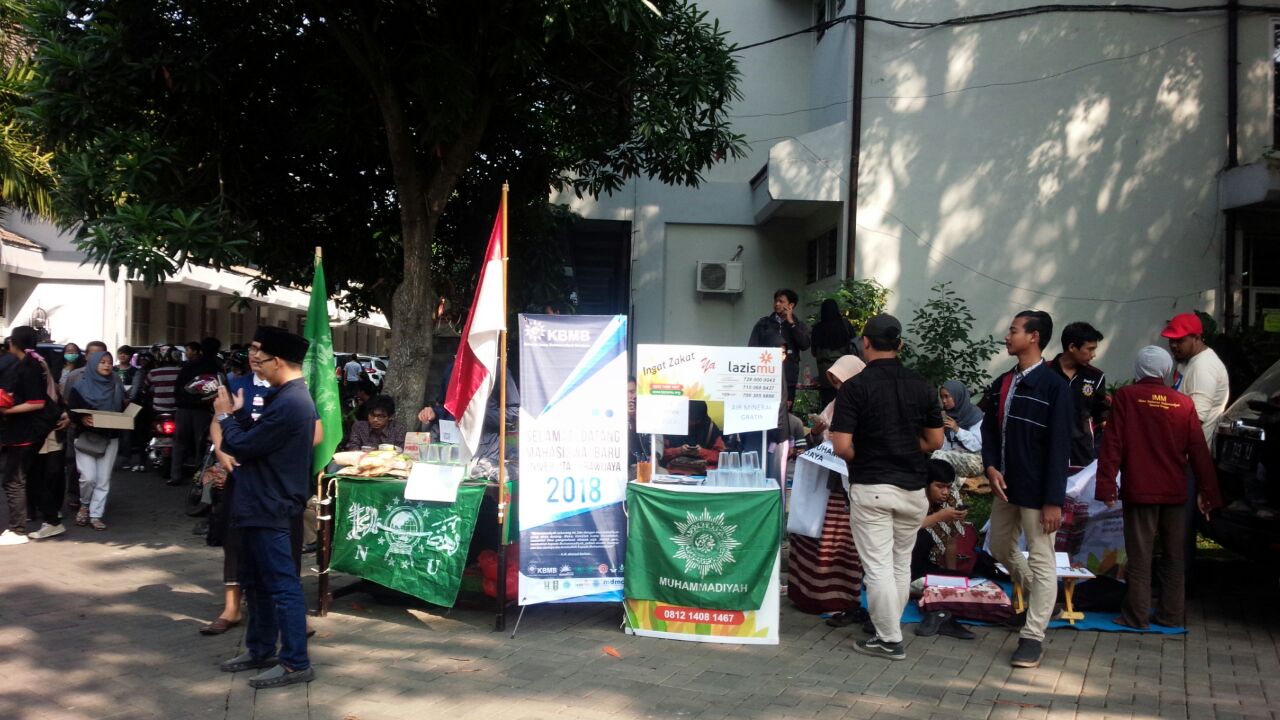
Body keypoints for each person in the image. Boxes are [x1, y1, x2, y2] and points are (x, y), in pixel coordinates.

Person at [829, 314, 944, 661]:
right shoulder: (923, 385)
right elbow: (936, 440)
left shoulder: (855, 388)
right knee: (899, 564)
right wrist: (905, 447)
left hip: (872, 486)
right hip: (912, 489)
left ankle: (890, 639)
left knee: (877, 567)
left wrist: (868, 453)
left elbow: (841, 446)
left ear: (865, 343)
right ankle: (887, 631)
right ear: (900, 345)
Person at [214, 326, 317, 689]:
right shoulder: (285, 396)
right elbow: (261, 441)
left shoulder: (292, 401)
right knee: (256, 582)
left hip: (271, 504)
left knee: (282, 585)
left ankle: (295, 662)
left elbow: (244, 447)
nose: (254, 360)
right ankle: (260, 650)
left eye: (261, 355)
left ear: (279, 361)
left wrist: (226, 417)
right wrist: (240, 417)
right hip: (259, 501)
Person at [1095, 346, 1222, 629]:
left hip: (1140, 489)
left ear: (1138, 370)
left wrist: (1106, 487)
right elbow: (1199, 450)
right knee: (1175, 556)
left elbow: (1112, 445)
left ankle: (1136, 616)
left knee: (1140, 556)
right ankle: (1171, 615)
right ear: (1167, 371)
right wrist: (1208, 493)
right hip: (1176, 491)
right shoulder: (1183, 403)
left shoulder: (1127, 397)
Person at [980, 310, 1071, 669]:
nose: (1007, 336)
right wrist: (990, 466)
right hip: (1006, 486)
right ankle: (1041, 602)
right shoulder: (1004, 381)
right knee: (1000, 546)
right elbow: (989, 431)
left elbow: (1060, 447)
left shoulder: (1054, 387)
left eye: (1014, 330)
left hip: (1038, 492)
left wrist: (1053, 500)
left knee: (1042, 557)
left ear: (1033, 337)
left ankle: (1033, 635)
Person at [789, 354, 866, 619]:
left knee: (838, 542)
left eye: (842, 381)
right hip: (823, 481)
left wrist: (841, 439)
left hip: (845, 485)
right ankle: (806, 595)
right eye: (834, 381)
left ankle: (839, 598)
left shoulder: (866, 402)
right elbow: (817, 439)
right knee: (811, 535)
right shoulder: (835, 403)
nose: (838, 387)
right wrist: (817, 432)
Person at [907, 459, 979, 640]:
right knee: (921, 535)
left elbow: (951, 541)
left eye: (948, 487)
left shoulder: (950, 498)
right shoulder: (912, 496)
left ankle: (939, 614)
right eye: (940, 486)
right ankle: (932, 608)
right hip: (904, 568)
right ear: (926, 484)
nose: (945, 492)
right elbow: (906, 527)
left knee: (971, 584)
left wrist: (951, 575)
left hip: (927, 567)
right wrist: (939, 516)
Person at [0, 327, 54, 545]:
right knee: (25, 479)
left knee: (13, 481)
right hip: (21, 431)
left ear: (15, 343)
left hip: (24, 433)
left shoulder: (29, 367)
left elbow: (36, 402)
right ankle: (43, 520)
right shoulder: (27, 364)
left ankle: (17, 529)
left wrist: (7, 410)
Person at [68, 350, 127, 531]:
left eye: (109, 362)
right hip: (86, 437)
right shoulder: (79, 386)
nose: (107, 365)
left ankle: (96, 514)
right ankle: (84, 504)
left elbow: (123, 409)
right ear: (93, 364)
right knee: (88, 478)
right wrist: (82, 419)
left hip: (110, 437)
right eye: (102, 362)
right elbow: (71, 410)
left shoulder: (116, 385)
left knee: (103, 479)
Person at [1047, 322, 1108, 469]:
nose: (1093, 355)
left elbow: (1102, 414)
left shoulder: (1096, 377)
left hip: (1081, 454)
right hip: (1046, 452)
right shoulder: (1044, 372)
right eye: (1090, 349)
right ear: (1072, 347)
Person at [1163, 312, 1229, 446]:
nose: (1173, 345)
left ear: (1196, 338)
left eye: (1179, 340)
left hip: (1190, 454)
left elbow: (1196, 420)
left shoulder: (1203, 368)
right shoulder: (1187, 360)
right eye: (1171, 340)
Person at [171, 338, 221, 487]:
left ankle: (175, 475)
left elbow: (178, 387)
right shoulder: (216, 366)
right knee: (201, 444)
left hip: (183, 408)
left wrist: (180, 401)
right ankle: (199, 478)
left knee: (179, 442)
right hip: (203, 410)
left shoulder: (188, 366)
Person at [748, 288, 811, 405]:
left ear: (791, 305)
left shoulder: (798, 325)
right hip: (765, 376)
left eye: (781, 301)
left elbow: (805, 345)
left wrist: (792, 323)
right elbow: (752, 348)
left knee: (786, 412)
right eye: (776, 301)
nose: (777, 304)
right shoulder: (764, 323)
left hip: (788, 376)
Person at [810, 299, 856, 408]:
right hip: (844, 372)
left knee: (828, 404)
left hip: (825, 374)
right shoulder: (845, 324)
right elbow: (854, 344)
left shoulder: (817, 328)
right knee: (846, 403)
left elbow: (814, 352)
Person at [661, 401, 725, 475]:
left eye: (696, 420)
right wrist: (679, 451)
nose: (693, 423)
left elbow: (722, 457)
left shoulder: (710, 428)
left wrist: (701, 452)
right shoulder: (671, 425)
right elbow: (659, 455)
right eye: (690, 420)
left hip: (704, 473)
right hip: (674, 472)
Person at [342, 395, 407, 451]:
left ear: (390, 417)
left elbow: (400, 451)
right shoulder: (359, 427)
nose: (375, 419)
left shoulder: (398, 430)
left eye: (380, 416)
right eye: (372, 415)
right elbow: (353, 447)